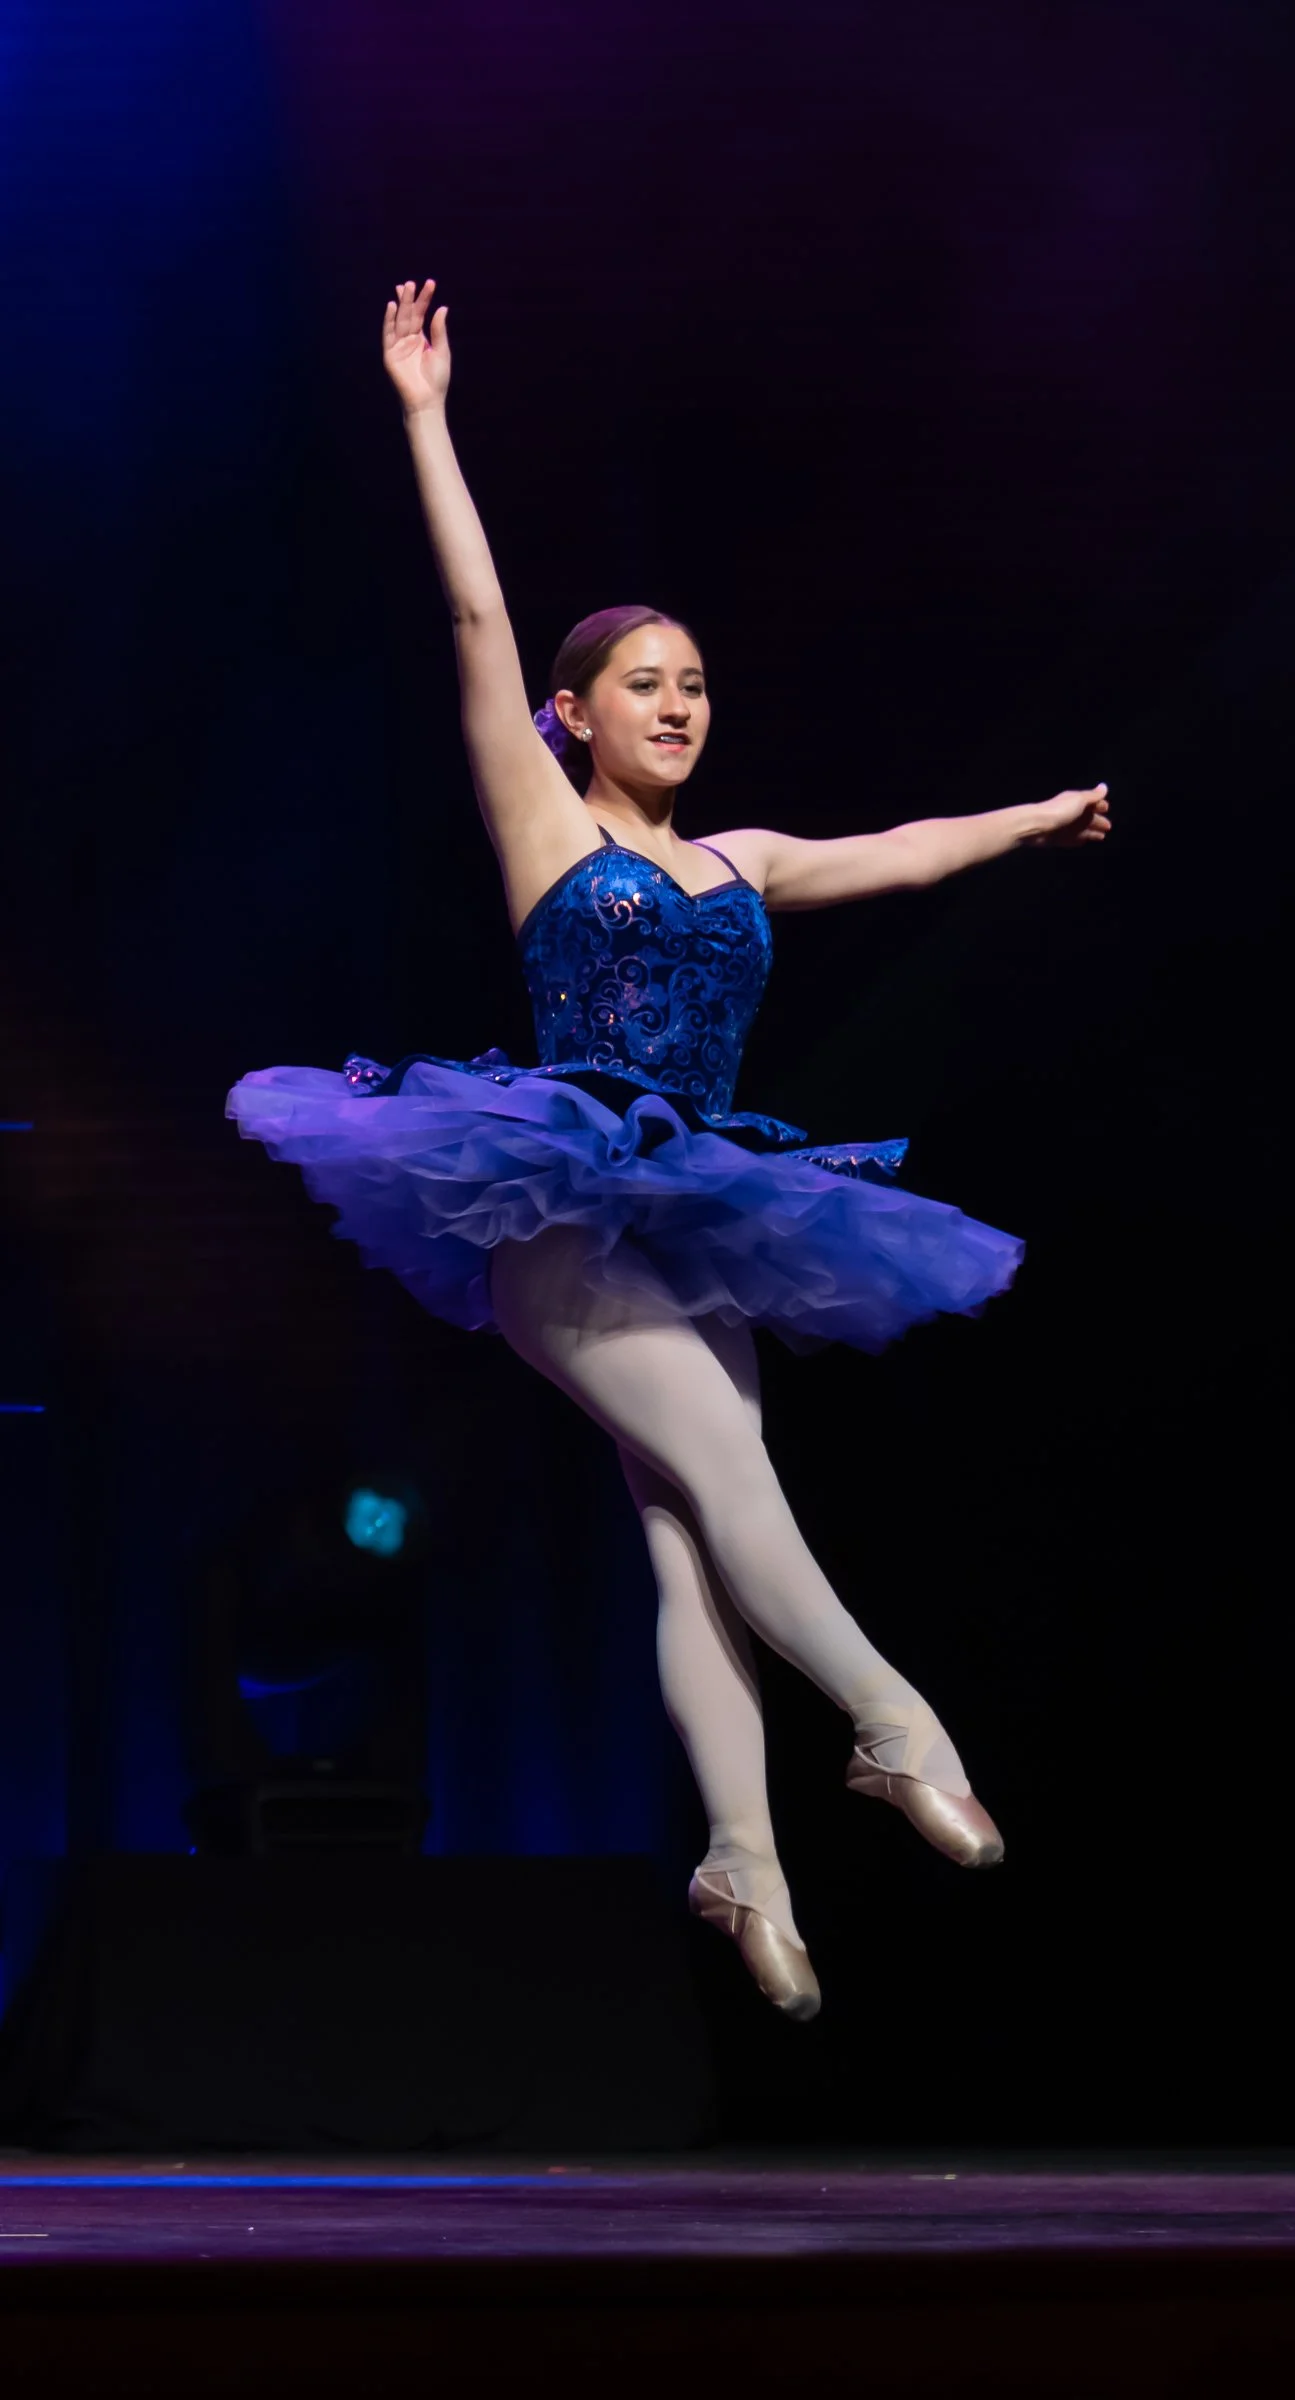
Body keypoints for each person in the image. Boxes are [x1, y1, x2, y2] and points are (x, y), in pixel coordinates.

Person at [228, 279, 1112, 2020]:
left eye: (695, 685)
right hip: (556, 1194)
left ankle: (742, 1857)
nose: (679, 705)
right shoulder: (544, 823)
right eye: (645, 683)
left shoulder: (742, 860)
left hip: (706, 1208)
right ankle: (893, 1720)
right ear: (574, 713)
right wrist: (426, 417)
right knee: (731, 1475)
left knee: (691, 1534)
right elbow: (478, 615)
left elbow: (905, 852)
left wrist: (1037, 817)